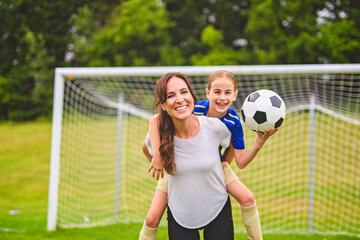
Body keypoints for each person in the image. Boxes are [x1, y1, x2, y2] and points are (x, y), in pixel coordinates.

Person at [139, 70, 278, 240]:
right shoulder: (194, 109)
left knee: (248, 197)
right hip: (175, 169)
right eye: (217, 92)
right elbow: (154, 121)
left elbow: (239, 160)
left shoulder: (231, 123)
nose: (222, 98)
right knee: (151, 219)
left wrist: (258, 143)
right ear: (207, 93)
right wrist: (161, 161)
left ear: (235, 95)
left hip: (217, 166)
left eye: (227, 93)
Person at [141, 72, 234, 240]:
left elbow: (233, 143)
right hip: (180, 213)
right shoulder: (158, 135)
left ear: (192, 96)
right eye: (171, 95)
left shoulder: (214, 127)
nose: (179, 99)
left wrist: (222, 167)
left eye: (184, 92)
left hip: (217, 207)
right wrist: (158, 160)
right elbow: (145, 149)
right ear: (163, 105)